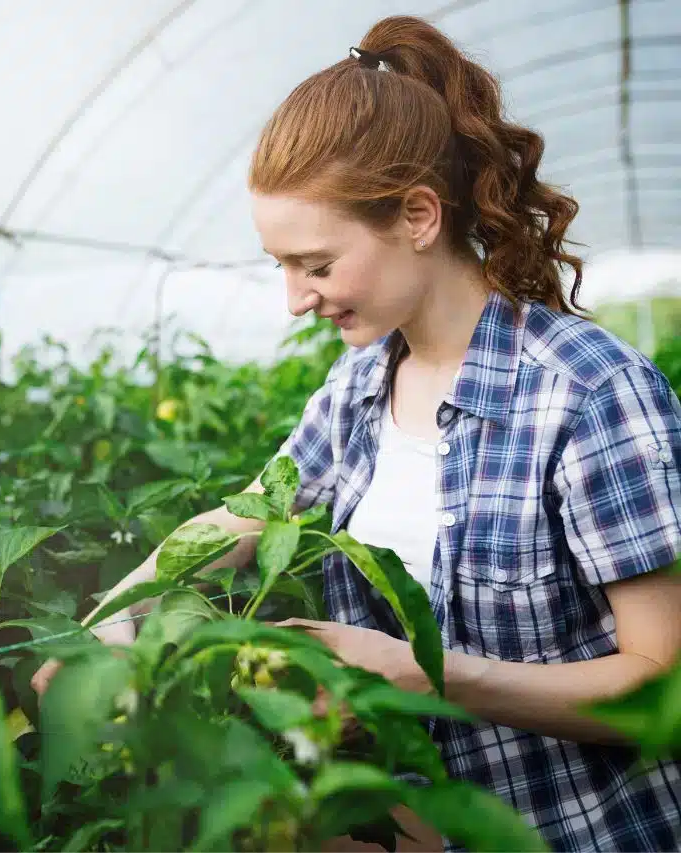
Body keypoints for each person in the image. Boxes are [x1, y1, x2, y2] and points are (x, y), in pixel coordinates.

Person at [33, 15, 681, 853]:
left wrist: (431, 674)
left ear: (417, 215)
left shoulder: (590, 394)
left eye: (317, 264)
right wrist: (113, 621)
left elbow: (659, 690)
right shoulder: (358, 389)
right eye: (282, 267)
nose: (296, 299)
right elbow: (245, 518)